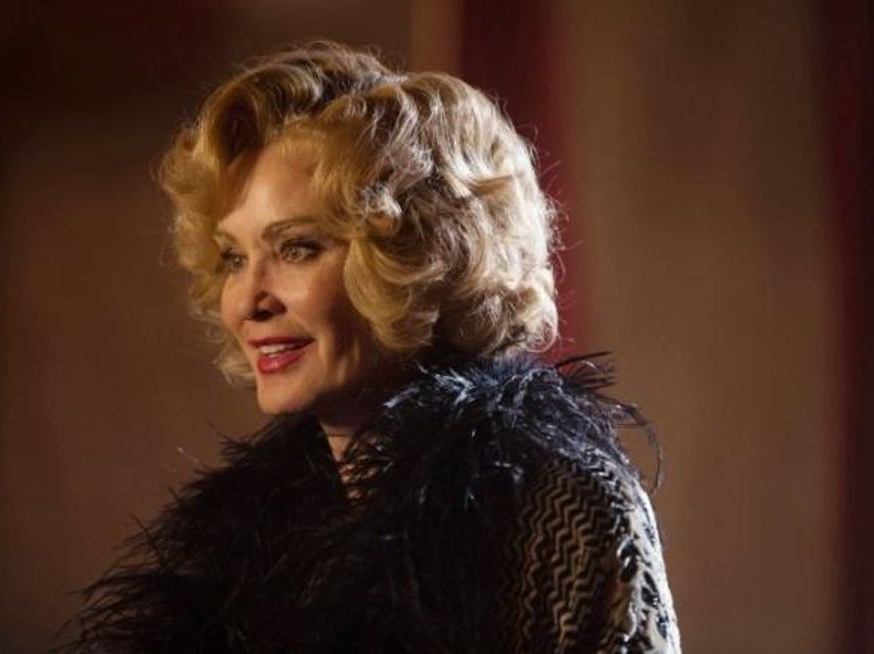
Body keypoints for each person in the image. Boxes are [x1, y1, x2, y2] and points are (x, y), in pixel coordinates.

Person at [63, 41, 680, 653]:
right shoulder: (253, 549)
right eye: (233, 258)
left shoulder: (561, 508)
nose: (248, 300)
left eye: (297, 248)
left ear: (414, 259)